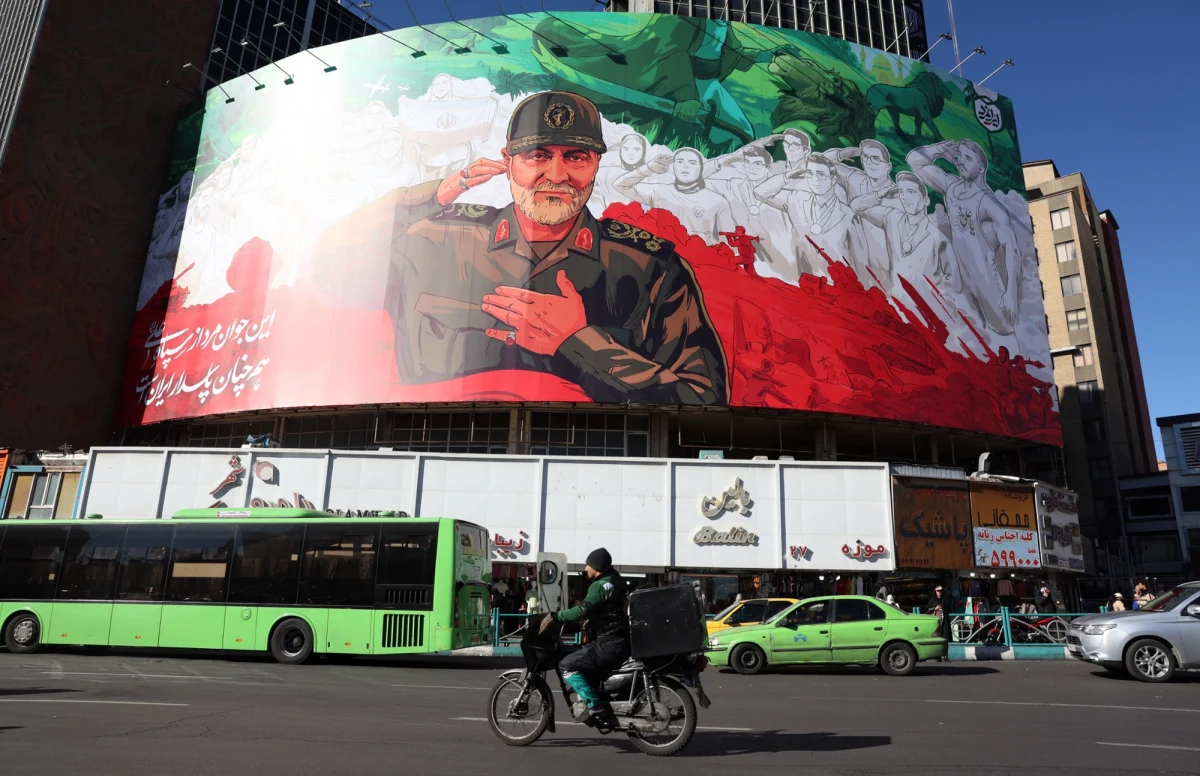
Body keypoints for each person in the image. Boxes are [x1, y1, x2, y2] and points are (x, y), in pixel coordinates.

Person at [311, 90, 728, 406]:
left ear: (596, 165)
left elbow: (704, 398)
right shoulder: (433, 238)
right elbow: (329, 268)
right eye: (537, 156)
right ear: (507, 160)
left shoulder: (648, 267)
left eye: (576, 158)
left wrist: (582, 343)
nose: (557, 175)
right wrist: (433, 195)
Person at [906, 139, 1023, 336]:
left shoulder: (990, 205)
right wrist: (940, 149)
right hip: (958, 277)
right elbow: (914, 161)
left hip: (985, 281)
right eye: (959, 156)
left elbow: (1013, 249)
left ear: (981, 168)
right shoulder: (951, 187)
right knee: (964, 334)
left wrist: (1010, 292)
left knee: (1003, 330)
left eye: (968, 158)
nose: (960, 161)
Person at [539, 547, 629, 728]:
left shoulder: (600, 586)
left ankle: (595, 707)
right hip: (620, 640)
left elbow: (582, 611)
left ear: (597, 567)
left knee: (567, 665)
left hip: (609, 642)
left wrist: (556, 616)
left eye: (588, 565)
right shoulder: (615, 579)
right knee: (582, 659)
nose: (586, 568)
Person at [613, 146, 736, 245]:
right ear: (673, 166)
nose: (685, 166)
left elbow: (729, 242)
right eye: (680, 161)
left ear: (701, 168)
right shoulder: (659, 192)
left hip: (699, 261)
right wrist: (649, 168)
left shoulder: (718, 202)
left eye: (692, 163)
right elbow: (620, 185)